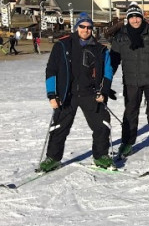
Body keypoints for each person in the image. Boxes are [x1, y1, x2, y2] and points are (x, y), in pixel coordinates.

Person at [39, 13, 115, 172]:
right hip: (67, 95)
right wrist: (52, 94)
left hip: (91, 93)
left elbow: (108, 72)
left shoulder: (100, 49)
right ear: (76, 27)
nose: (86, 30)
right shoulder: (62, 45)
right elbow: (51, 70)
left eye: (89, 27)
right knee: (59, 127)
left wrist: (104, 92)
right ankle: (53, 158)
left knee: (102, 124)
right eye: (82, 26)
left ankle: (101, 156)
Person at [110, 2, 149, 161]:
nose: (135, 20)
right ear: (128, 19)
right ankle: (127, 143)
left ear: (141, 17)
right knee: (130, 113)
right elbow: (113, 60)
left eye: (137, 17)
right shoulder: (121, 37)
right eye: (131, 17)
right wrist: (107, 79)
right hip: (131, 80)